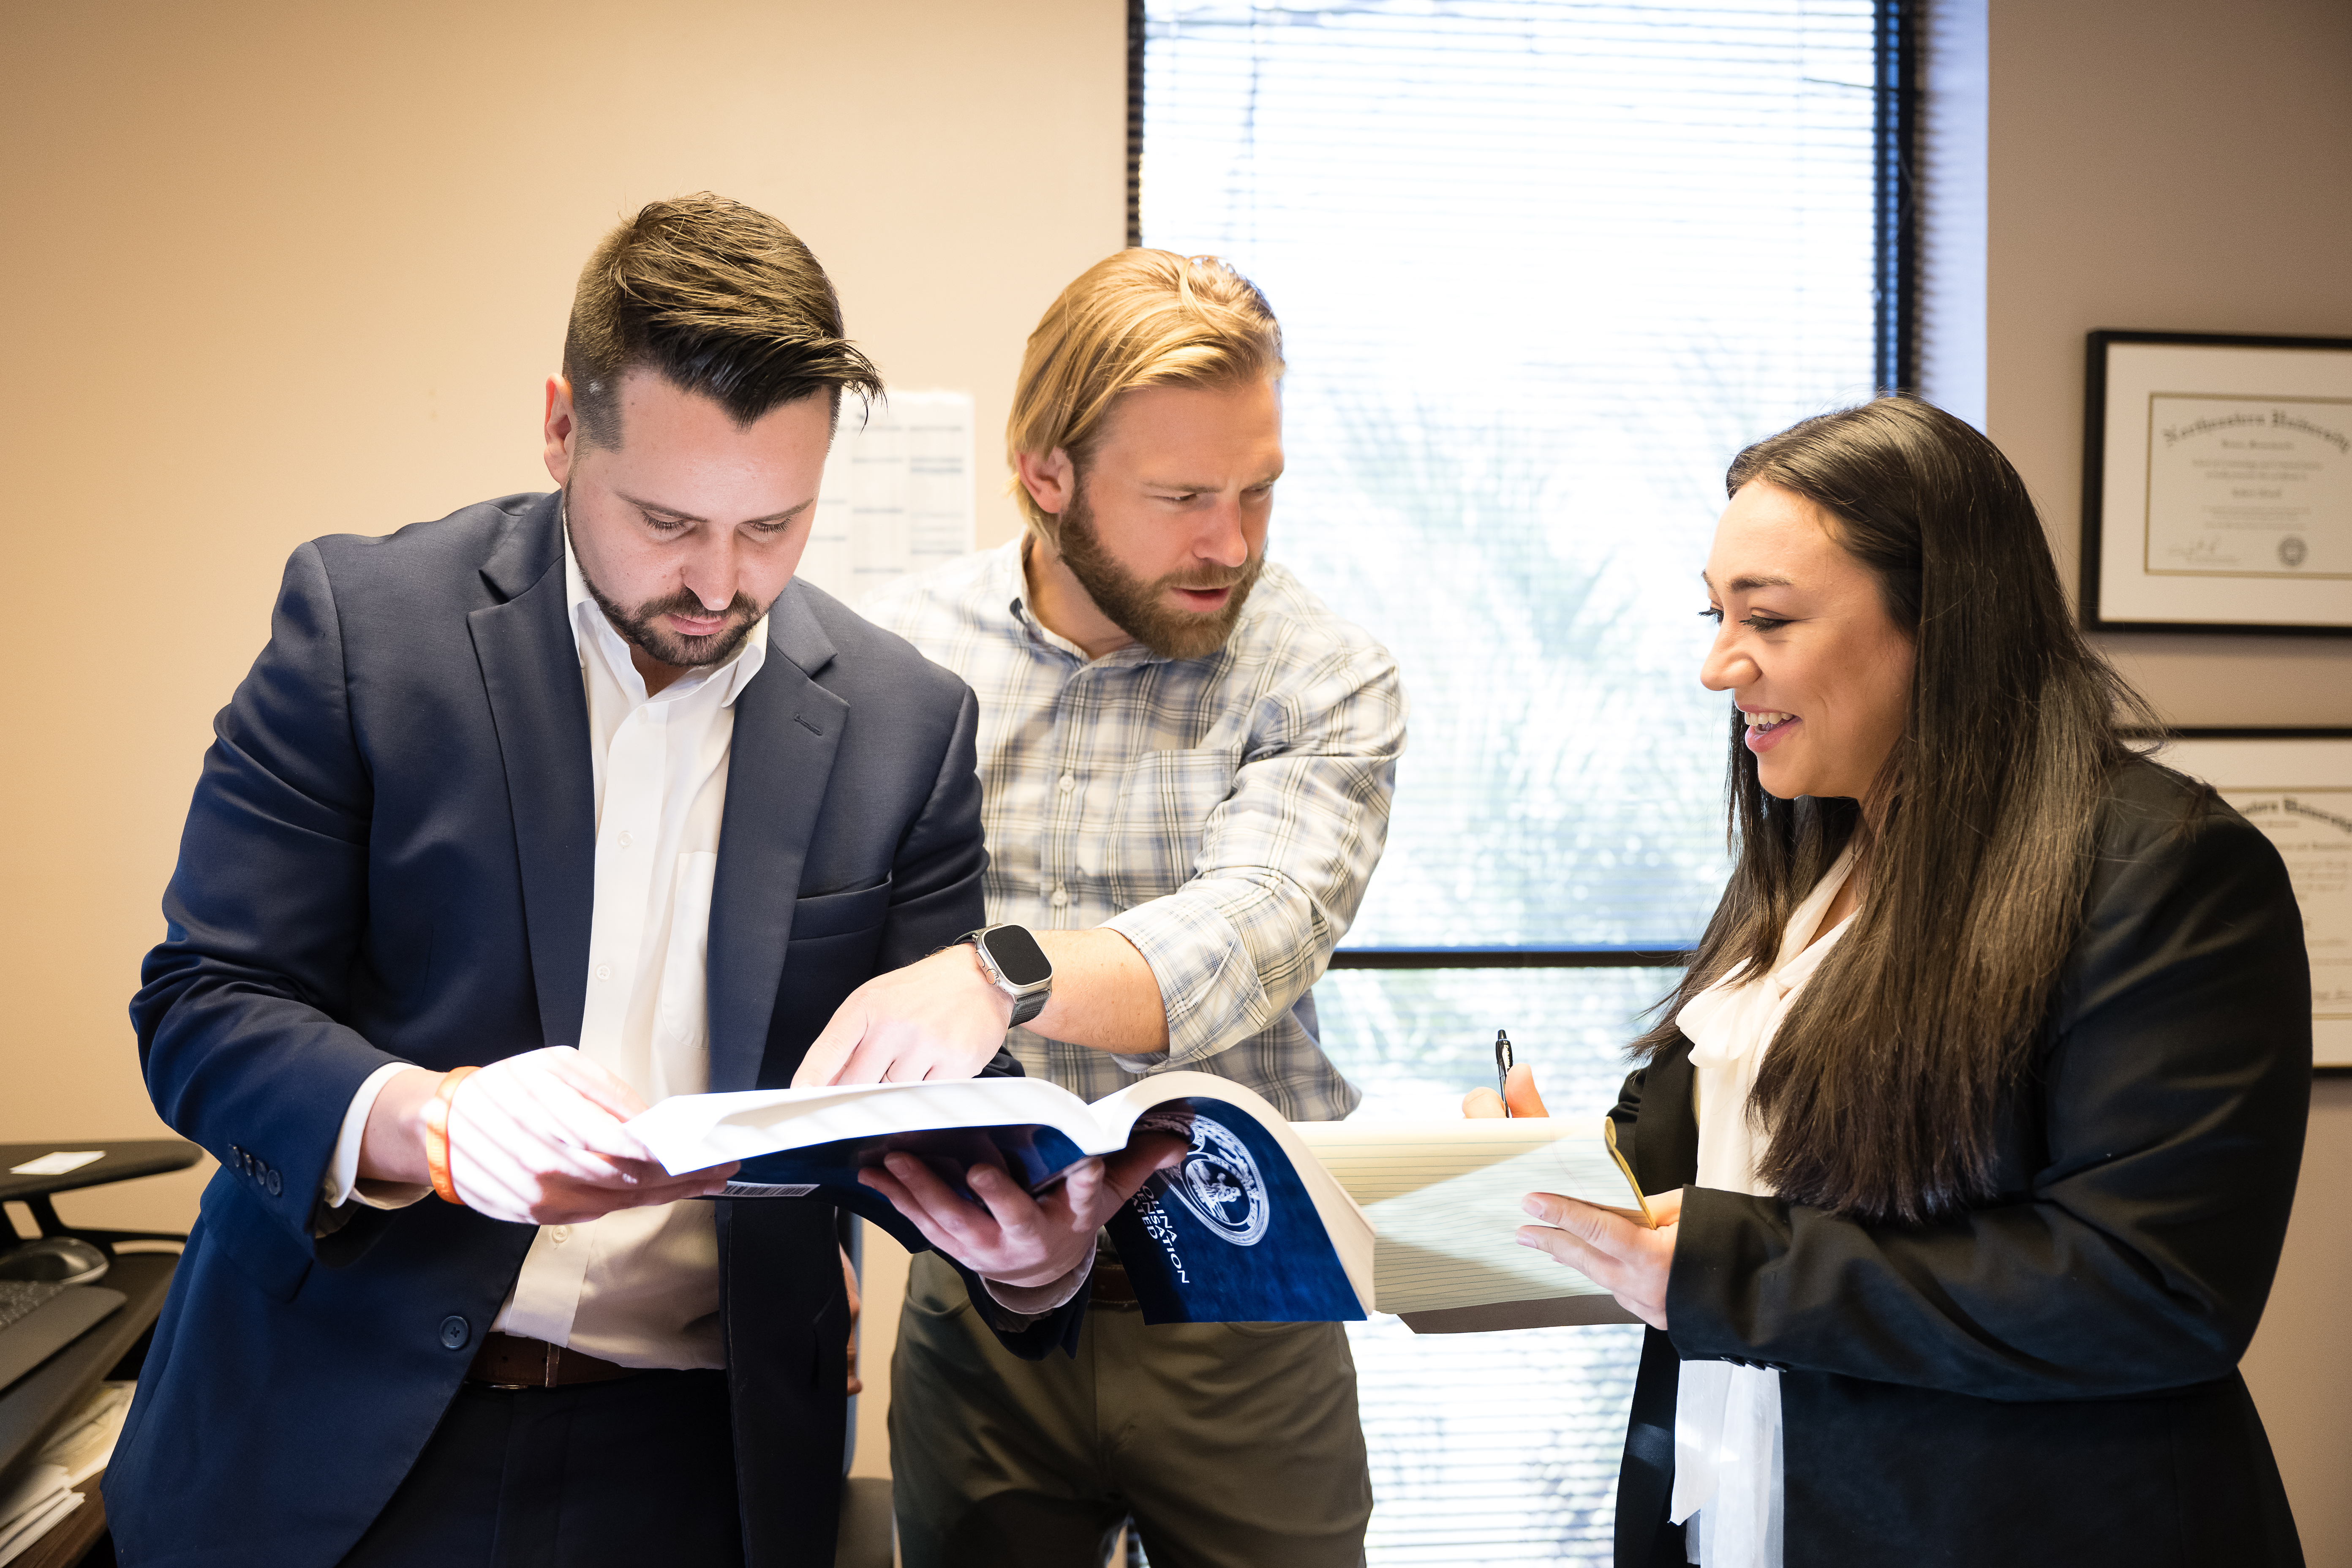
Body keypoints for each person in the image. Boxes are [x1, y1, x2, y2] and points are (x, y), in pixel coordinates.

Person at [109, 194, 1178, 1568]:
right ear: (563, 429)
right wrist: (425, 1120)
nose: (721, 585)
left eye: (774, 526)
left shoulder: (909, 728)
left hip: (702, 1469)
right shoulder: (366, 630)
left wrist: (1033, 1263)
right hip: (331, 1435)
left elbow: (922, 1131)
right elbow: (202, 1004)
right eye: (669, 520)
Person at [1470, 396, 2310, 1567]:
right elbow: (1750, 1170)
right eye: (1717, 615)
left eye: (1767, 618)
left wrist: (1721, 1269)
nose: (1720, 665)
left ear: (1943, 622)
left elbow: (2151, 1289)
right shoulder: (1814, 857)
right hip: (1749, 1510)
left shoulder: (2164, 870)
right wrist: (1566, 1177)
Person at [815, 249, 1406, 1568]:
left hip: (1247, 1294)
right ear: (1046, 475)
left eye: (1258, 492)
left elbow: (1254, 929)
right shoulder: (891, 664)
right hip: (978, 1291)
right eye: (1185, 496)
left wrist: (996, 976)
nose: (1233, 544)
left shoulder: (1327, 679)